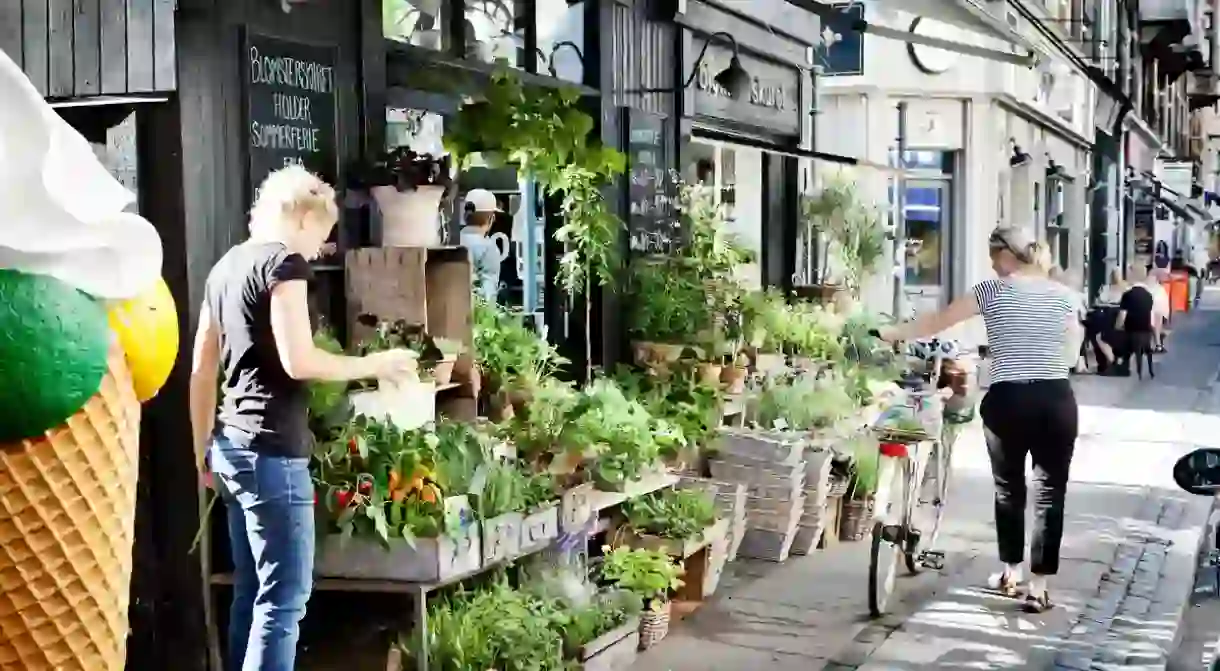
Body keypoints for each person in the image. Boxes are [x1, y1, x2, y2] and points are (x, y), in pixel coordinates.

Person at [189, 165, 418, 671]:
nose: (321, 248)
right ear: (303, 217)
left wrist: (202, 448)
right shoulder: (284, 264)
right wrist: (374, 365)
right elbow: (299, 360)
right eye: (323, 234)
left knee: (252, 592)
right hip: (272, 450)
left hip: (231, 447)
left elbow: (201, 370)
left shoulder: (225, 267)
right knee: (285, 600)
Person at [879, 226, 1076, 614]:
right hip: (1055, 398)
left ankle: (1010, 572)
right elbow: (1072, 351)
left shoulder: (991, 290)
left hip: (1009, 399)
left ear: (1006, 255)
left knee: (1009, 490)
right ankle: (1038, 587)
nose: (991, 264)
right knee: (1050, 492)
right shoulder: (1066, 296)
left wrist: (891, 333)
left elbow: (937, 322)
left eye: (992, 256)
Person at [459, 188, 504, 303]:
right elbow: (488, 294)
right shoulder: (489, 248)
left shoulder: (451, 241)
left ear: (465, 216)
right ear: (491, 218)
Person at [1116, 267, 1157, 380]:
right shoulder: (1149, 295)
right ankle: (1149, 369)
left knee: (1120, 338)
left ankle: (1124, 365)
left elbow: (1122, 316)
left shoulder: (1128, 295)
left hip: (1131, 331)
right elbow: (1151, 315)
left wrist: (1117, 327)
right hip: (1145, 331)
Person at [1049, 267, 1087, 373]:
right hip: (1063, 326)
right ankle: (1078, 362)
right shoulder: (1069, 293)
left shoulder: (1055, 292)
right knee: (1079, 331)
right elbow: (1080, 313)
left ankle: (1078, 362)